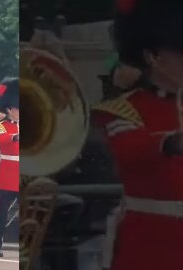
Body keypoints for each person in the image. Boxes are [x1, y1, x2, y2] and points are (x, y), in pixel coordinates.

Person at [92, 1, 183, 269]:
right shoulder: (125, 109)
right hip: (151, 242)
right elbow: (130, 150)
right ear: (152, 56)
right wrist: (171, 142)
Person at [0, 77, 19, 257]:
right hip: (8, 173)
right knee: (1, 212)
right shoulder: (1, 126)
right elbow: (2, 139)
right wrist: (15, 137)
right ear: (9, 109)